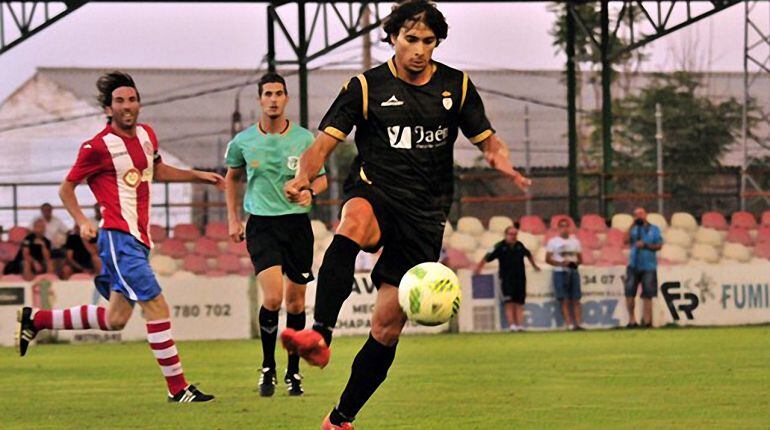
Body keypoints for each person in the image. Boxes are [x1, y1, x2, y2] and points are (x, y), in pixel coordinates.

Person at [279, 2, 531, 428]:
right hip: (376, 192)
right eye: (410, 39)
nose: (418, 49)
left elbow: (488, 139)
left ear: (437, 43)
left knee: (385, 328)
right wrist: (304, 175)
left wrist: (500, 159)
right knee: (353, 221)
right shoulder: (365, 87)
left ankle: (340, 418)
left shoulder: (457, 85)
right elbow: (322, 145)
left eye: (428, 41)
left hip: (426, 214)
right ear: (392, 37)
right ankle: (319, 334)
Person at [14, 71, 224, 403]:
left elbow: (156, 170)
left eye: (132, 99)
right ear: (109, 109)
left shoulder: (147, 136)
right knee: (157, 305)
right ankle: (178, 389)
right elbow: (66, 188)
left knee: (115, 319)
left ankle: (36, 319)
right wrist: (82, 219)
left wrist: (197, 175)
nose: (127, 106)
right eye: (119, 101)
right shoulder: (95, 147)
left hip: (137, 240)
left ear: (139, 104)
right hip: (117, 237)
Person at [224, 72, 327, 397]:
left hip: (297, 226)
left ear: (286, 99)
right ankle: (267, 366)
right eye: (267, 93)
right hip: (262, 225)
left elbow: (321, 179)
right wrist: (233, 219)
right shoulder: (243, 142)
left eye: (278, 93)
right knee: (272, 298)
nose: (272, 99)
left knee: (296, 305)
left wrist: (309, 191)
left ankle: (293, 373)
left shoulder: (304, 139)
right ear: (260, 99)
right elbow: (231, 179)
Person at [474, 224, 540, 331]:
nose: (513, 236)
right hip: (506, 278)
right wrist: (479, 268)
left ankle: (520, 325)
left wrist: (535, 266)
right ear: (505, 235)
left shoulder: (519, 245)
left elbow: (528, 254)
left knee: (519, 302)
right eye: (511, 234)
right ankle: (512, 325)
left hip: (520, 278)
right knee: (509, 302)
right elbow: (487, 256)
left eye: (515, 234)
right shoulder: (500, 246)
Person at [624, 207, 662, 328]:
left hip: (648, 265)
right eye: (636, 214)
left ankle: (647, 321)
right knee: (630, 293)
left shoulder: (654, 229)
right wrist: (632, 225)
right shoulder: (633, 229)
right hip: (633, 265)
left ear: (646, 215)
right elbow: (624, 240)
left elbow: (659, 245)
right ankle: (632, 320)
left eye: (641, 213)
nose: (639, 216)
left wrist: (645, 245)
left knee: (648, 294)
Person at [545, 218, 583, 330]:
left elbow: (580, 259)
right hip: (560, 272)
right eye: (562, 226)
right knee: (564, 299)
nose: (564, 228)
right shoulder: (553, 242)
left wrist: (574, 263)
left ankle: (578, 323)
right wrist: (561, 263)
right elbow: (548, 259)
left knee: (576, 298)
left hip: (573, 271)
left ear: (569, 228)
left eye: (566, 226)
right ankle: (569, 323)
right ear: (558, 228)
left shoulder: (575, 241)